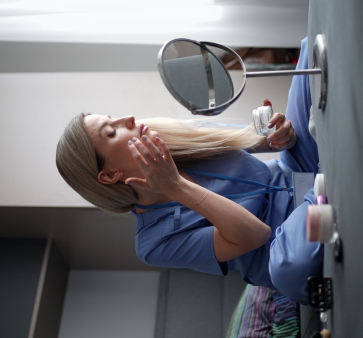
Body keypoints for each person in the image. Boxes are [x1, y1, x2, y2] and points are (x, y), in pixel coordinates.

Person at [55, 38, 323, 304]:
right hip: (288, 236)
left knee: (310, 48)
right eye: (112, 131)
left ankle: (324, 190)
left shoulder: (172, 138)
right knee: (290, 270)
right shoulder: (153, 244)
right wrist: (175, 186)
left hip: (297, 174)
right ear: (110, 175)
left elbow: (262, 139)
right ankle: (326, 186)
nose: (129, 119)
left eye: (114, 117)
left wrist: (279, 133)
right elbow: (256, 235)